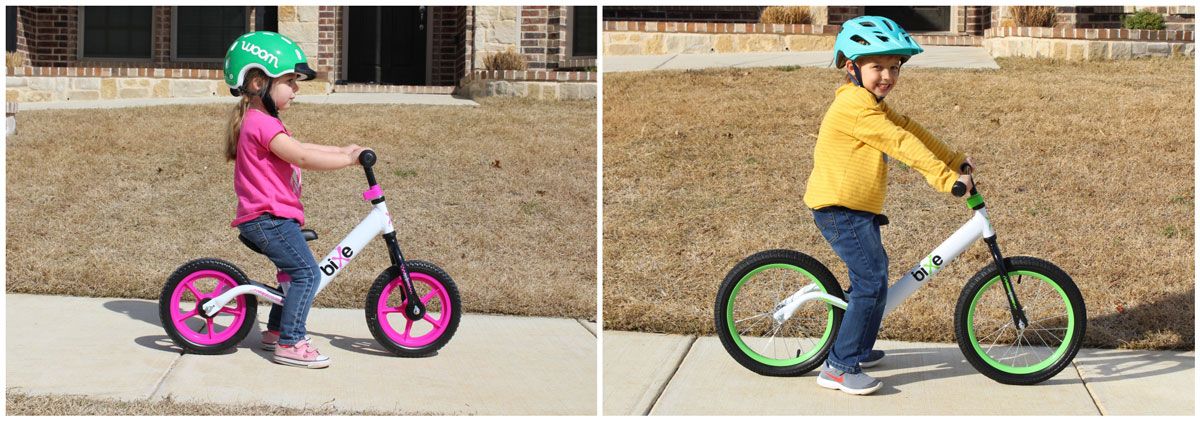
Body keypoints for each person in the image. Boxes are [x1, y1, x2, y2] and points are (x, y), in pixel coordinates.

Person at [802, 16, 975, 395]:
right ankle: (838, 366)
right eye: (877, 66)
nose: (887, 76)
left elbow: (911, 130)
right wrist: (946, 180)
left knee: (875, 276)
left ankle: (857, 348)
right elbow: (900, 144)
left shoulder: (871, 102)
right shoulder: (855, 107)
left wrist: (953, 159)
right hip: (839, 208)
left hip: (856, 208)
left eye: (894, 67)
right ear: (852, 67)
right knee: (869, 281)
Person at [223, 31, 368, 369]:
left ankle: (275, 330)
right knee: (306, 275)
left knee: (293, 274)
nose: (297, 88)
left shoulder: (265, 121)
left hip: (273, 218)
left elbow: (303, 148)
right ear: (258, 82)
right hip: (267, 219)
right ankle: (291, 342)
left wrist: (345, 150)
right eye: (290, 80)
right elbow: (301, 157)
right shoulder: (260, 124)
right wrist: (348, 160)